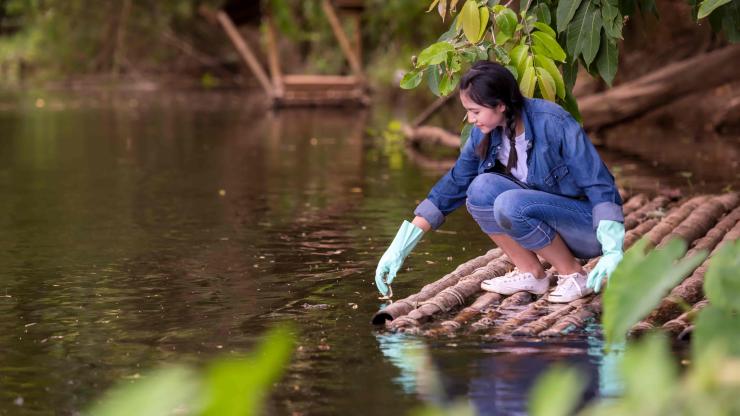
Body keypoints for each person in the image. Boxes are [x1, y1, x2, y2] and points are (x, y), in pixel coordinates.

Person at [374, 61, 625, 303]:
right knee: (479, 189)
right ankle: (532, 273)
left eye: (475, 112)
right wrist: (402, 245)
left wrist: (613, 247)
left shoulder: (553, 121)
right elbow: (454, 184)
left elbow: (598, 182)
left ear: (501, 105)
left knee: (510, 203)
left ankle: (573, 274)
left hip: (587, 228)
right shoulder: (485, 133)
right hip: (543, 219)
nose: (471, 119)